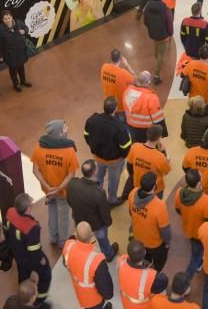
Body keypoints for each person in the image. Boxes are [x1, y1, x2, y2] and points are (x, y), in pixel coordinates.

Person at [62, 221, 114, 309]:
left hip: (78, 290)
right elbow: (105, 286)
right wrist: (109, 295)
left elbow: (65, 262)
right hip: (92, 298)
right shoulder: (96, 259)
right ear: (91, 235)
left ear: (76, 235)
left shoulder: (68, 246)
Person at [31, 119, 79, 247]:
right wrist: (58, 188)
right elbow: (71, 174)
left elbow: (35, 171)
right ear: (59, 133)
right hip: (62, 192)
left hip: (48, 190)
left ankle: (53, 237)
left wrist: (48, 188)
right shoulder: (69, 151)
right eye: (64, 127)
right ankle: (62, 241)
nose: (67, 128)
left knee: (52, 210)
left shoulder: (39, 148)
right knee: (63, 214)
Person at [5, 194, 53, 309]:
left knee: (23, 274)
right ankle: (39, 302)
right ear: (27, 209)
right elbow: (34, 249)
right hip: (30, 258)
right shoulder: (32, 227)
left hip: (17, 254)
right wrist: (41, 260)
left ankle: (23, 297)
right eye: (31, 204)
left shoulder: (10, 212)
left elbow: (7, 229)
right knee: (46, 274)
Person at [84, 97, 133, 205]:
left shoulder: (92, 119)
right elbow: (125, 146)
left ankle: (97, 198)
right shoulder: (119, 126)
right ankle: (112, 200)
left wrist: (92, 146)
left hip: (97, 157)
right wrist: (122, 156)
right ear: (115, 108)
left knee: (98, 176)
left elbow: (86, 134)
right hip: (114, 161)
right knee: (113, 181)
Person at [67, 160, 118, 261]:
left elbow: (69, 201)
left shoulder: (72, 183)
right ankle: (108, 255)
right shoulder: (99, 193)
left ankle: (83, 254)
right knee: (103, 241)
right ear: (95, 172)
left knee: (82, 240)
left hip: (79, 221)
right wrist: (108, 222)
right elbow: (104, 213)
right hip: (97, 225)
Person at [128, 171, 172, 271]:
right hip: (154, 244)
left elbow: (131, 213)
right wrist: (167, 242)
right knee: (159, 262)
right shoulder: (159, 206)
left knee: (143, 258)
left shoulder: (132, 193)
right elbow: (164, 230)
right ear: (154, 186)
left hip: (138, 237)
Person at [126, 124, 172, 200]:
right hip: (156, 189)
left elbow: (129, 167)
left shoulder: (135, 147)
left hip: (138, 184)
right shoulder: (160, 157)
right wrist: (164, 153)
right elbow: (166, 171)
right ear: (159, 138)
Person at [124, 71, 167, 143]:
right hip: (146, 130)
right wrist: (163, 133)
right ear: (148, 82)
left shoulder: (128, 91)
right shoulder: (151, 98)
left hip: (131, 127)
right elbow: (158, 119)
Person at [144, 0, 174, 85]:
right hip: (163, 36)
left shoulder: (148, 6)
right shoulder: (166, 9)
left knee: (157, 48)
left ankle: (158, 62)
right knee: (161, 54)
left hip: (153, 34)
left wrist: (151, 28)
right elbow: (169, 23)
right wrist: (170, 34)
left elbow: (145, 21)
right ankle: (156, 76)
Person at [0, 10, 31, 91]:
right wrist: (0, 55)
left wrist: (24, 31)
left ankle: (23, 81)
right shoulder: (0, 29)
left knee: (21, 67)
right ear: (2, 20)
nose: (8, 20)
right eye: (5, 19)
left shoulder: (18, 22)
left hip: (20, 51)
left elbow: (26, 28)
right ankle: (16, 84)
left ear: (12, 17)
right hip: (10, 54)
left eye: (9, 18)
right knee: (13, 69)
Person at [181, 44, 208, 112]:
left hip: (193, 100)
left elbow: (182, 75)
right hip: (206, 102)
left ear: (199, 53)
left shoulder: (191, 64)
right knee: (206, 119)